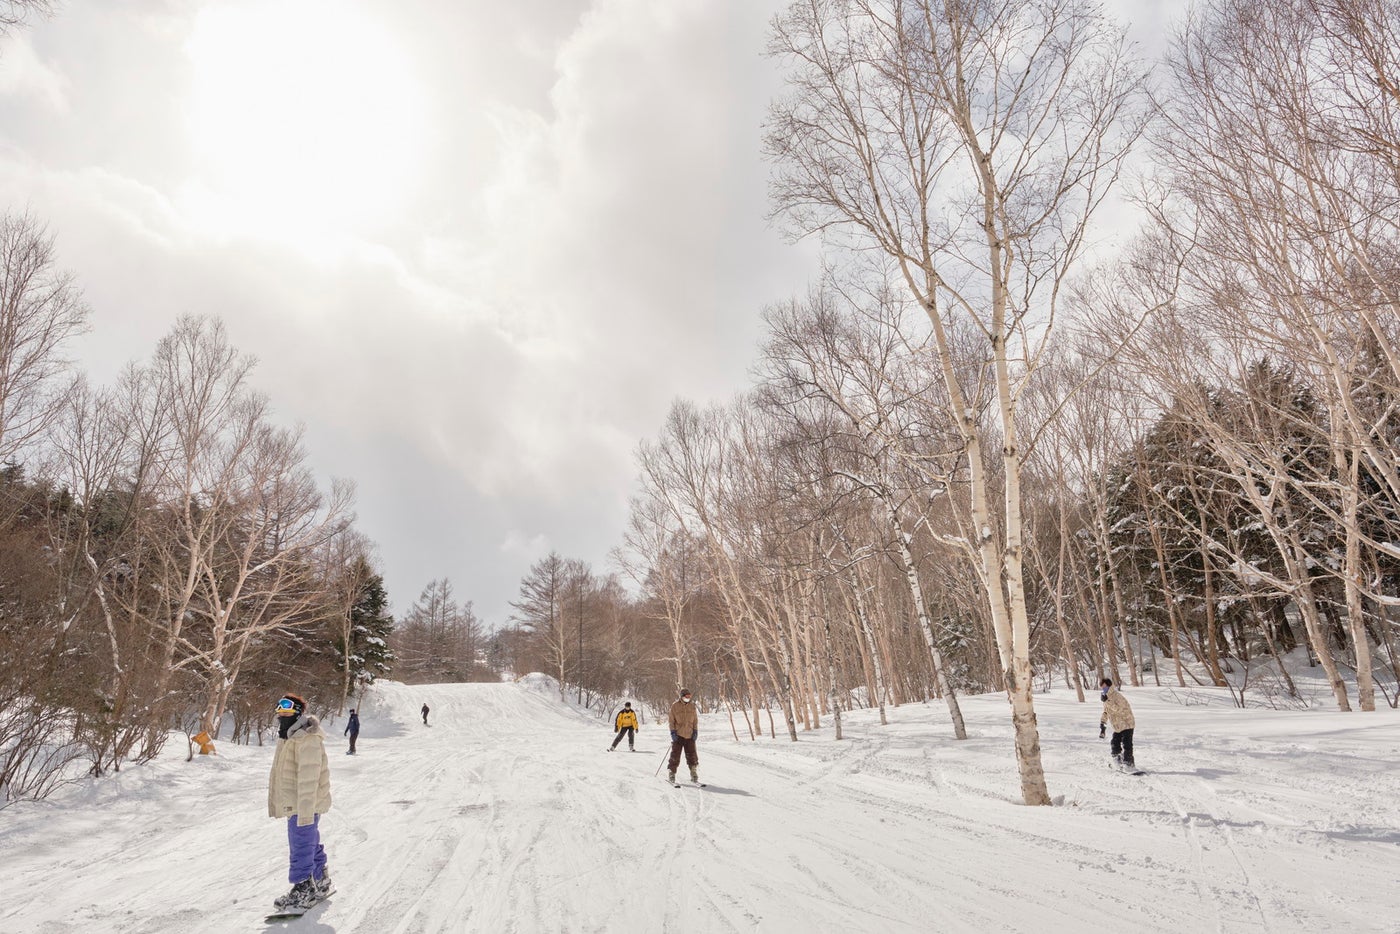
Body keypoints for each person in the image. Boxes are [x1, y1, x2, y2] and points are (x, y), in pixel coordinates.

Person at [267, 693, 334, 912]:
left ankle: (303, 887)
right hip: (296, 802)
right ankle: (319, 878)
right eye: (280, 712)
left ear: (298, 712)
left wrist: (305, 811)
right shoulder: (289, 736)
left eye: (287, 711)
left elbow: (308, 778)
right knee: (309, 839)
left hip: (304, 803)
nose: (282, 715)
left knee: (301, 844)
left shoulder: (307, 737)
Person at [1098, 678, 1136, 771]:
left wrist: (1107, 701)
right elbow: (1106, 712)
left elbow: (1119, 709)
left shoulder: (1117, 696)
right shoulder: (1106, 697)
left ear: (1109, 686)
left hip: (1127, 723)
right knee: (1114, 743)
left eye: (1105, 687)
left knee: (1127, 744)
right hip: (1118, 726)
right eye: (1102, 688)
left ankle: (1128, 764)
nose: (1103, 689)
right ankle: (1117, 762)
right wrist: (1103, 724)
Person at [667, 688, 699, 784]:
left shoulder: (692, 706)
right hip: (678, 735)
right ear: (682, 696)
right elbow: (671, 721)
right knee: (675, 755)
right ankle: (672, 773)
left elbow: (695, 720)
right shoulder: (675, 706)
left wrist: (695, 731)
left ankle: (693, 772)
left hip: (690, 735)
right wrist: (672, 732)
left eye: (689, 696)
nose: (688, 698)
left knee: (692, 755)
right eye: (687, 696)